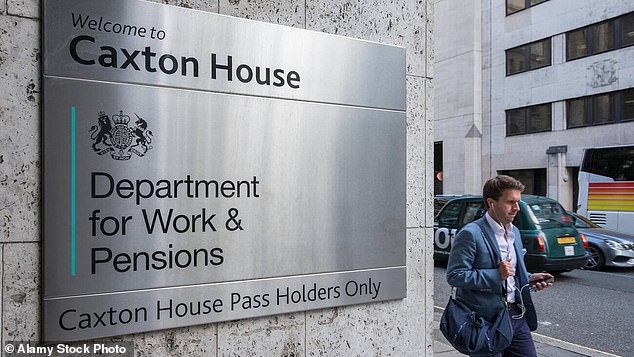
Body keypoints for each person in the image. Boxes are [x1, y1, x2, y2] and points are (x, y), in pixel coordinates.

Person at [446, 175, 554, 357]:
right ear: (491, 202)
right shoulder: (471, 234)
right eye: (510, 202)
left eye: (518, 202)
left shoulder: (515, 232)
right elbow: (455, 275)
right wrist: (496, 275)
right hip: (486, 320)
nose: (516, 208)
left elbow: (511, 274)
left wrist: (528, 278)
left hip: (516, 315)